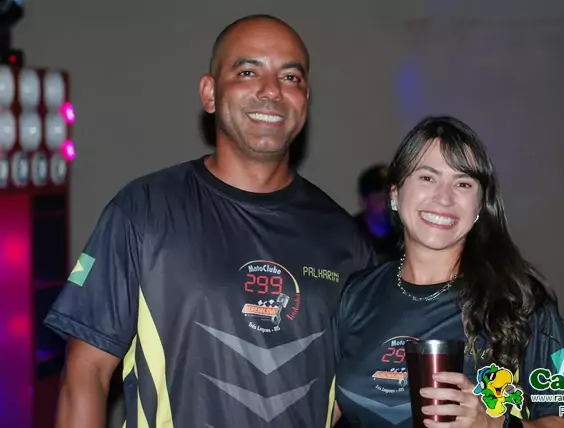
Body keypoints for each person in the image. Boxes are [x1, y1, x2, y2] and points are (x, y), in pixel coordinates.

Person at [44, 14, 376, 428]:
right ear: (210, 93)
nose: (271, 90)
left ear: (305, 99)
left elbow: (361, 391)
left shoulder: (345, 240)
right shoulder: (144, 212)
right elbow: (85, 375)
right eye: (248, 71)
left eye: (290, 77)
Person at [331, 116, 564, 428]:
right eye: (427, 178)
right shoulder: (355, 295)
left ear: (479, 206)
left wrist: (494, 424)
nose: (444, 198)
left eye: (463, 184)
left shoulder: (521, 302)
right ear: (395, 194)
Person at [353, 164, 401, 263]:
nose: (387, 203)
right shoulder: (351, 235)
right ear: (364, 201)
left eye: (391, 197)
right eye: (380, 198)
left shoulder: (404, 233)